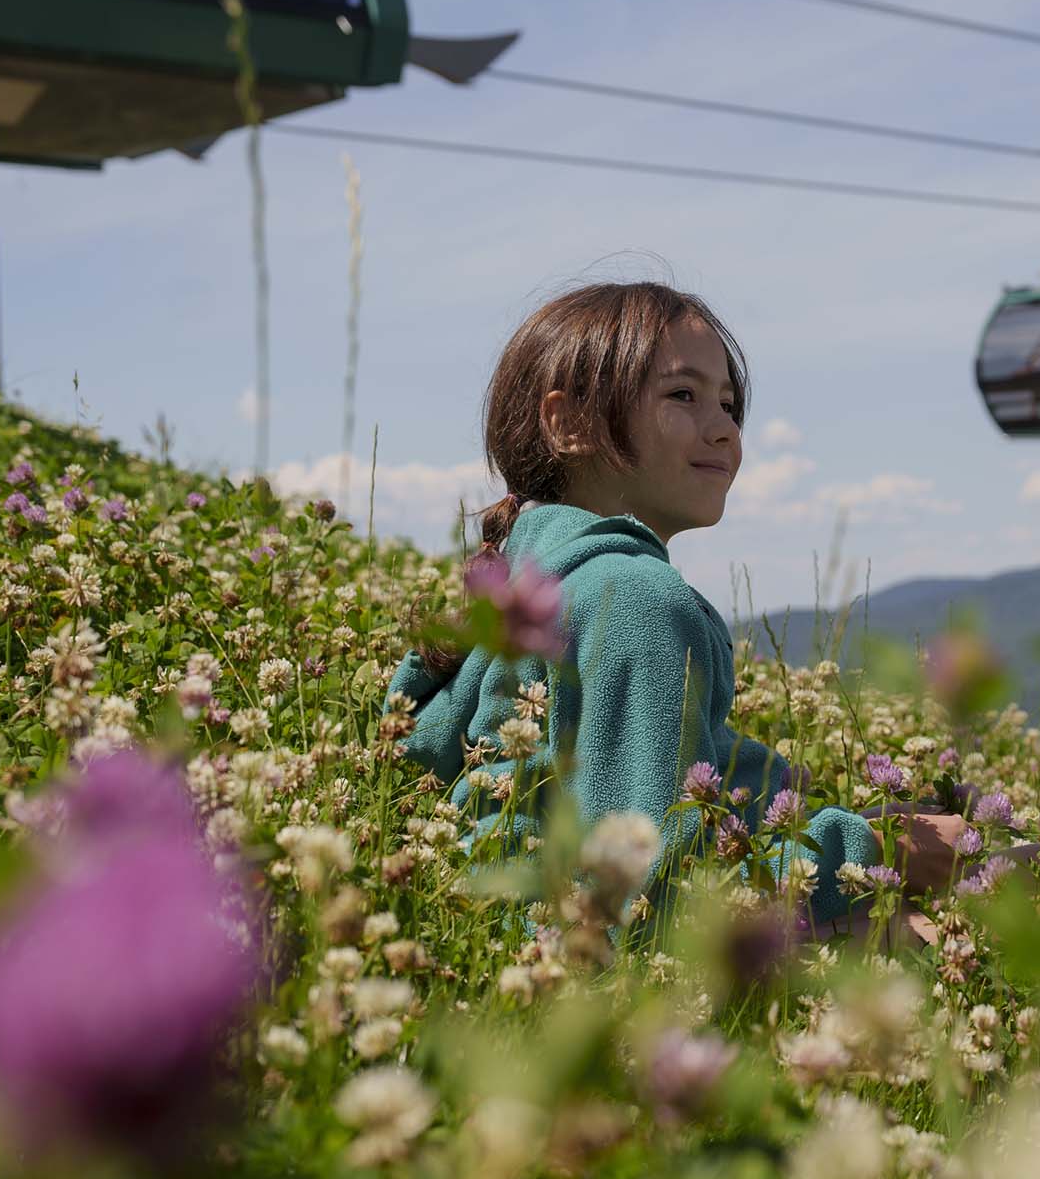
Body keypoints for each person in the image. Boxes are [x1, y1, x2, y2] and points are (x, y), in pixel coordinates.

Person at [384, 281, 968, 931]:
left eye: (728, 402)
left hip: (517, 942)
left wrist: (847, 826)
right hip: (593, 970)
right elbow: (650, 884)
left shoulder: (541, 586)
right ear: (569, 423)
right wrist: (877, 856)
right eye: (684, 396)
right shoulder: (632, 597)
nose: (724, 429)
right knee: (1032, 898)